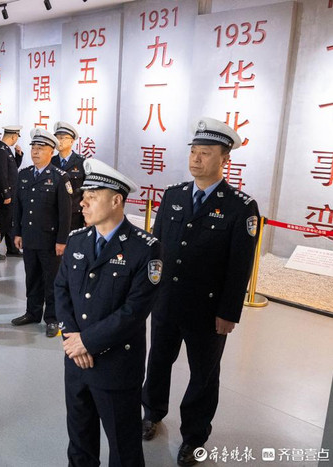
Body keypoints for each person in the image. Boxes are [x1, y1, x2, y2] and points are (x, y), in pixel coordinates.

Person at [141, 117, 260, 467]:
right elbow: (156, 247)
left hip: (207, 311)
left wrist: (228, 312)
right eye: (193, 151)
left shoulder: (240, 206)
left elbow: (240, 266)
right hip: (166, 301)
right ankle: (152, 412)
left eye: (205, 153)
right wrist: (147, 292)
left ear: (225, 159)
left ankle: (194, 436)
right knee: (158, 361)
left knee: (203, 375)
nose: (196, 159)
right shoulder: (174, 195)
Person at [55, 158, 162, 467]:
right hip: (76, 361)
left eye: (92, 196)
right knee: (79, 441)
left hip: (116, 365)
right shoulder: (77, 240)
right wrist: (72, 338)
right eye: (83, 195)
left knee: (123, 447)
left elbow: (134, 311)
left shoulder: (145, 248)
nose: (83, 202)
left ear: (116, 201)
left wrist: (86, 342)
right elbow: (61, 289)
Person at [11, 128, 72, 337]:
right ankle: (32, 312)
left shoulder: (59, 177)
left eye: (41, 148)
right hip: (29, 237)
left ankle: (53, 318)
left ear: (51, 152)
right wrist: (17, 233)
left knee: (52, 281)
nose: (35, 152)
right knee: (32, 278)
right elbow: (18, 207)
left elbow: (65, 214)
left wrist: (62, 240)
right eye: (33, 148)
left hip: (50, 240)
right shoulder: (25, 175)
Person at [0, 125, 23, 259]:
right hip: (5, 196)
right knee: (2, 224)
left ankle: (12, 249)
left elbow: (13, 168)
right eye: (16, 137)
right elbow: (1, 175)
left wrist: (18, 155)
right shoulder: (0, 151)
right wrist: (6, 194)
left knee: (10, 222)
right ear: (14, 136)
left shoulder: (6, 150)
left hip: (10, 194)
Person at [51, 121, 85, 230]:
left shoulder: (82, 163)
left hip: (75, 216)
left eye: (62, 138)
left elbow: (87, 192)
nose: (59, 141)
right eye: (57, 138)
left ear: (72, 141)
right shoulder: (51, 162)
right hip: (53, 215)